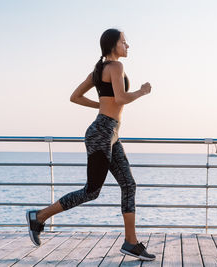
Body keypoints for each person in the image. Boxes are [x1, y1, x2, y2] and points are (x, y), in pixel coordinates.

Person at [25, 28, 155, 261]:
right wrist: (142, 91)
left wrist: (102, 107)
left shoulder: (98, 70)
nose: (128, 46)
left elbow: (75, 97)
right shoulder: (116, 67)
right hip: (102, 134)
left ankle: (131, 242)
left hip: (109, 133)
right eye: (124, 42)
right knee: (92, 191)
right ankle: (39, 216)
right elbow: (121, 98)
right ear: (113, 45)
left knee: (128, 184)